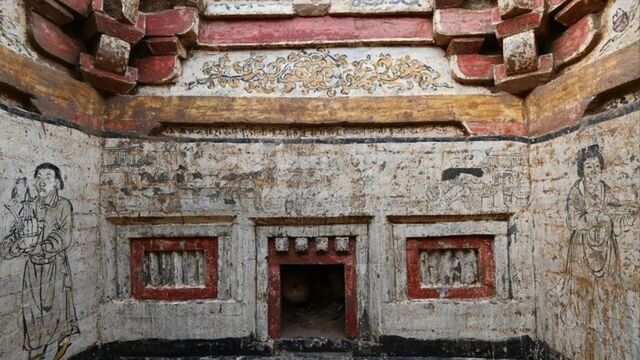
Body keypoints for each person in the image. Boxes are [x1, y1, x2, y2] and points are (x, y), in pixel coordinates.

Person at [557, 145, 637, 353]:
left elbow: (613, 209)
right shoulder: (576, 192)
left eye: (596, 166)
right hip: (582, 249)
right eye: (588, 166)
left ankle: (607, 328)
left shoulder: (605, 189)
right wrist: (597, 217)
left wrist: (626, 213)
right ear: (581, 170)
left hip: (607, 249)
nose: (592, 171)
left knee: (608, 291)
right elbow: (574, 221)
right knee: (583, 293)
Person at [1, 163, 79, 360]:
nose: (42, 181)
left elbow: (64, 236)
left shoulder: (63, 205)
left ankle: (59, 346)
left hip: (56, 268)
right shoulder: (29, 207)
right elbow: (14, 237)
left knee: (58, 317)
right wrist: (18, 245)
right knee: (34, 320)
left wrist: (42, 247)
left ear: (57, 183)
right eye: (39, 177)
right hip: (33, 273)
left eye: (48, 177)